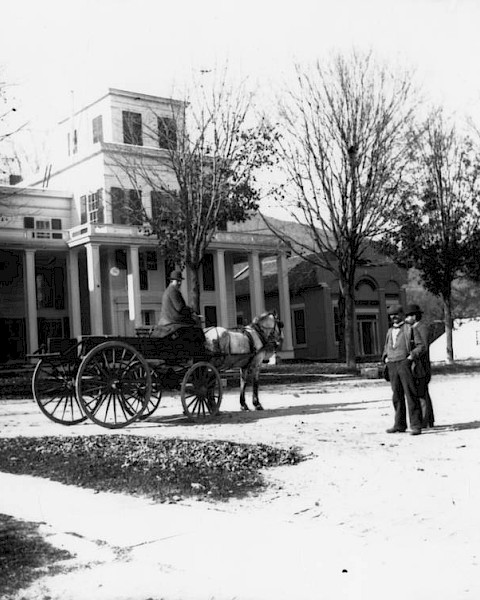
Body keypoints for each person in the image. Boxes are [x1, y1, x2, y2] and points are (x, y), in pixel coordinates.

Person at [382, 304, 426, 435]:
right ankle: (399, 425)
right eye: (391, 315)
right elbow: (386, 347)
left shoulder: (410, 329)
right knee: (396, 396)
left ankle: (416, 426)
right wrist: (385, 358)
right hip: (392, 365)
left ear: (402, 315)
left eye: (396, 314)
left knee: (411, 394)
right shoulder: (389, 331)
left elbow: (421, 346)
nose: (394, 317)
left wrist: (410, 357)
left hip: (405, 364)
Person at [153, 270, 205, 357]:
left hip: (169, 320)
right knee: (197, 329)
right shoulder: (173, 291)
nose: (180, 283)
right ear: (172, 281)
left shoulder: (168, 290)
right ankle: (196, 354)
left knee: (193, 324)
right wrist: (192, 312)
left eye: (180, 281)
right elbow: (180, 308)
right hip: (173, 321)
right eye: (178, 281)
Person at [405, 303, 435, 428]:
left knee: (421, 392)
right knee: (421, 392)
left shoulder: (422, 328)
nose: (406, 319)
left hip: (421, 366)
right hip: (417, 365)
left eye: (408, 316)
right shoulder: (414, 328)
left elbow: (423, 347)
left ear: (414, 316)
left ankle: (425, 420)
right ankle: (429, 420)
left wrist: (412, 355)